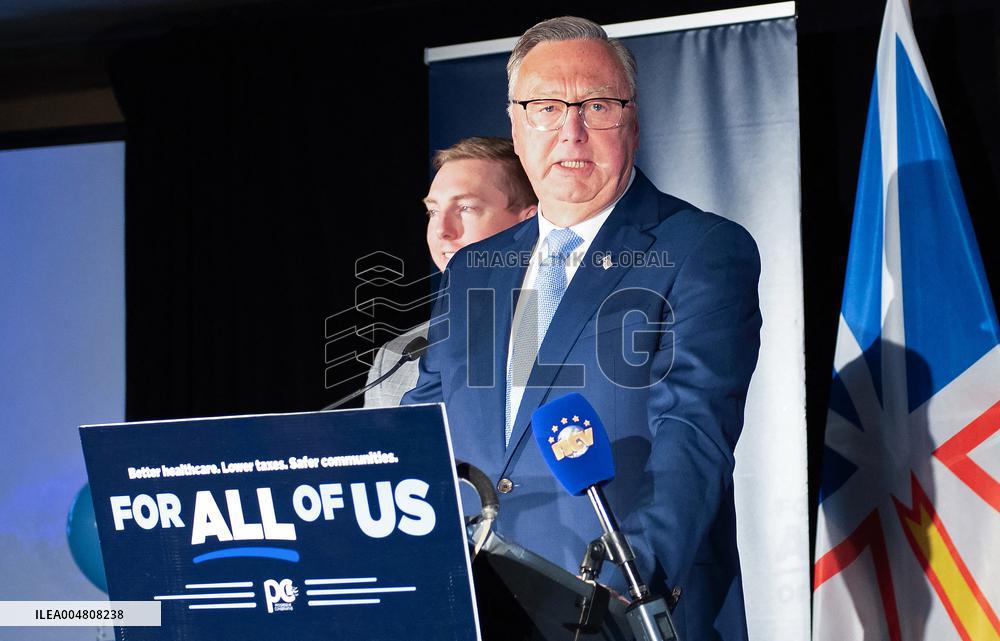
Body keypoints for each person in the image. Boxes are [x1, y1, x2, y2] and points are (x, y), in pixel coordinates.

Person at [403, 16, 761, 641]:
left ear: (633, 120)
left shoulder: (701, 249)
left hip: (614, 607)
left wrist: (627, 584)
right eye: (545, 107)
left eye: (596, 105)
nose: (571, 130)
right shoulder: (472, 270)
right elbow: (424, 425)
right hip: (472, 605)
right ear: (515, 125)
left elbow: (694, 431)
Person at [364, 137, 536, 407]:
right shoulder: (396, 357)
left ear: (528, 224)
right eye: (433, 211)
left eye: (465, 208)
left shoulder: (568, 341)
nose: (442, 230)